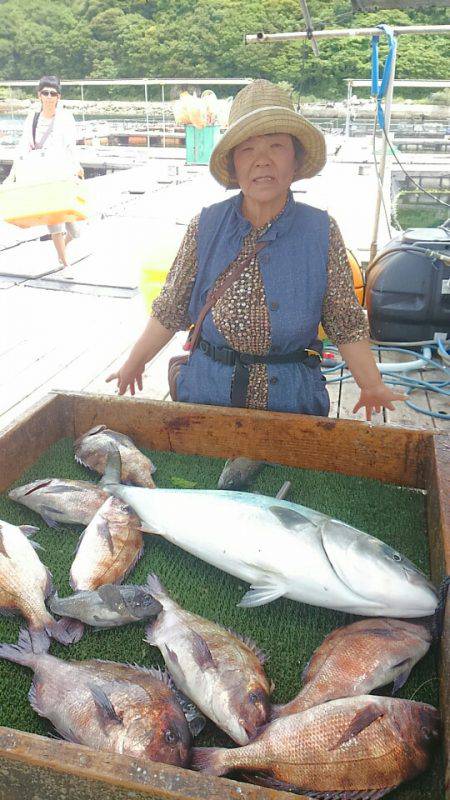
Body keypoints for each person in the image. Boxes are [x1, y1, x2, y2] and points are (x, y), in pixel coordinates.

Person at [107, 80, 405, 421]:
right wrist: (134, 363)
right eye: (247, 150)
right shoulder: (204, 225)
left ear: (295, 161)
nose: (261, 161)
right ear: (233, 166)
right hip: (207, 394)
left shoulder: (322, 230)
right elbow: (170, 308)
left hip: (291, 399)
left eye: (276, 146)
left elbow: (345, 321)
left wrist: (371, 384)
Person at [4, 75, 83, 268]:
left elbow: (70, 146)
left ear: (58, 97)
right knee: (55, 220)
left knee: (74, 230)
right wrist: (14, 172)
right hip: (41, 173)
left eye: (53, 93)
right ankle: (65, 262)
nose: (49, 97)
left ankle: (61, 253)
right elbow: (24, 145)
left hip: (61, 172)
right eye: (45, 93)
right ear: (39, 95)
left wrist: (77, 166)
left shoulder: (65, 118)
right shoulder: (33, 117)